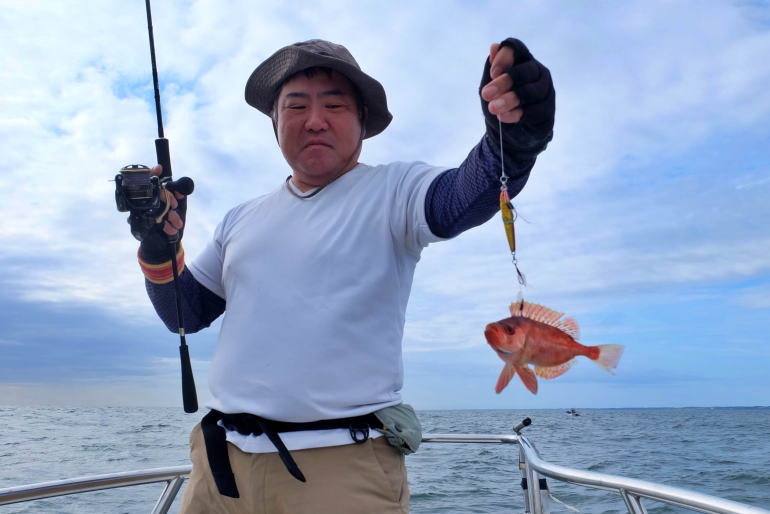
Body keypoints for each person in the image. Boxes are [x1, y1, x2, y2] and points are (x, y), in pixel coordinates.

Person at [134, 38, 554, 514]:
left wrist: (515, 138)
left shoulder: (394, 191)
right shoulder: (240, 219)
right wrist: (158, 247)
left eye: (334, 105)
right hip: (218, 469)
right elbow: (184, 313)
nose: (314, 120)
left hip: (341, 468)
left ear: (362, 122)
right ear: (275, 124)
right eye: (295, 106)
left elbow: (464, 194)